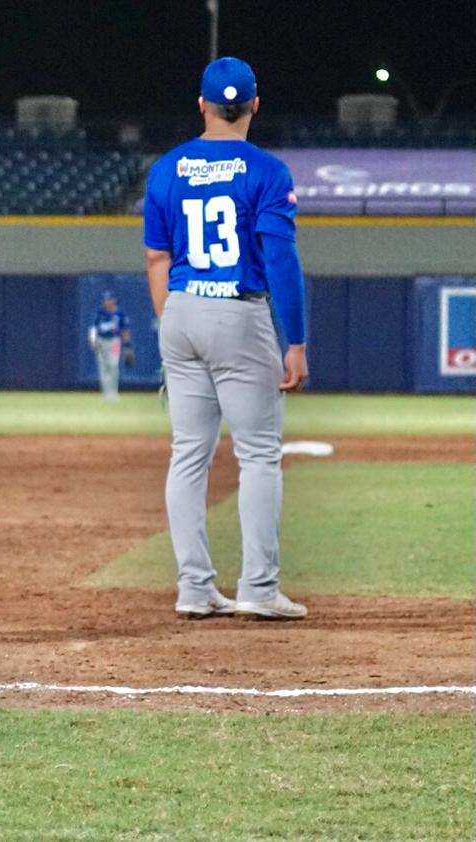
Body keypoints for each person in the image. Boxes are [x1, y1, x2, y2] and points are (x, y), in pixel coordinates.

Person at [143, 57, 309, 621]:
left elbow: (156, 257)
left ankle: (194, 589)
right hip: (238, 310)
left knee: (188, 454)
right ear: (255, 105)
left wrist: (170, 325)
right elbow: (281, 260)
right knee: (259, 455)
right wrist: (297, 341)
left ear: (202, 105)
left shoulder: (166, 168)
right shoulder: (266, 171)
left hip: (182, 309)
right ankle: (258, 588)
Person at [88, 290, 134, 401]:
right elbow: (93, 328)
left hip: (115, 341)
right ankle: (106, 394)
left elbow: (125, 330)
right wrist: (92, 340)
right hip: (101, 342)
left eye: (109, 300)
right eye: (105, 300)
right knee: (103, 367)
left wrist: (127, 345)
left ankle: (113, 393)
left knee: (113, 365)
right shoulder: (100, 313)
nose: (107, 302)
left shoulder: (120, 314)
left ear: (114, 301)